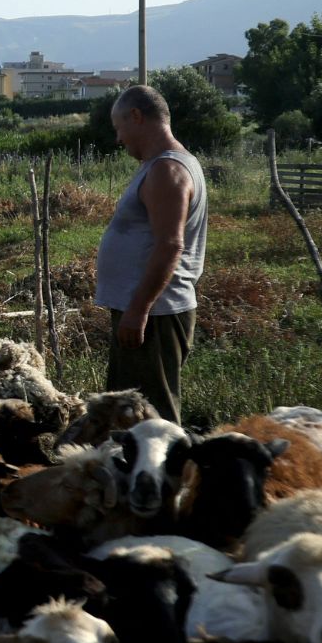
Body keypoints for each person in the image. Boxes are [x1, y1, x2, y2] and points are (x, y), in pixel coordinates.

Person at [96, 83, 207, 422]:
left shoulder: (167, 171)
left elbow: (170, 245)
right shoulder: (159, 166)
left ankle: (166, 474)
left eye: (119, 128)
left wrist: (138, 310)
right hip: (145, 311)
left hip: (154, 314)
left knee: (154, 419)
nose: (119, 139)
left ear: (136, 116)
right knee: (127, 413)